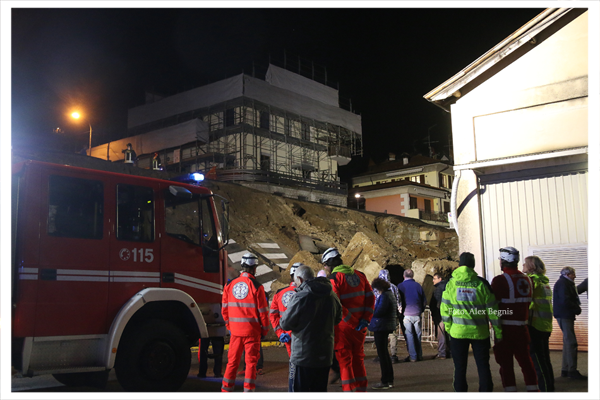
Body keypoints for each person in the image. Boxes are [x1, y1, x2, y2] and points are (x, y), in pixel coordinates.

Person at [441, 252, 502, 392]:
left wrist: (449, 328)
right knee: (483, 366)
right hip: (480, 333)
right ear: (473, 265)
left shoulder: (451, 284)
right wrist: (498, 332)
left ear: (460, 264)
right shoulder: (482, 284)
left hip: (457, 333)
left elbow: (445, 310)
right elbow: (493, 310)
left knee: (460, 367)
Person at [280, 265, 342, 392]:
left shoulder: (301, 297)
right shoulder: (331, 294)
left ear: (300, 279)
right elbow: (338, 318)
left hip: (303, 357)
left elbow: (285, 323)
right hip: (325, 355)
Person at [322, 247, 374, 392]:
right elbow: (371, 298)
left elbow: (337, 304)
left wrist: (351, 322)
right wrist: (365, 319)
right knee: (358, 360)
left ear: (328, 264)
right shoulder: (360, 275)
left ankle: (349, 391)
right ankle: (361, 390)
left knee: (345, 363)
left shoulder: (333, 279)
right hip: (361, 328)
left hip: (343, 328)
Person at [491, 247, 539, 392]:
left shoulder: (500, 280)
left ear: (503, 262)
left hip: (506, 329)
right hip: (523, 328)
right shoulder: (528, 280)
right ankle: (533, 389)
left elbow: (493, 306)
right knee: (526, 362)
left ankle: (510, 391)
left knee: (506, 364)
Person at [221, 253, 270, 392]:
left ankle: (226, 389)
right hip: (252, 332)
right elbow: (263, 313)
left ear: (242, 266)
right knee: (251, 364)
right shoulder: (257, 286)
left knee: (232, 362)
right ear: (254, 268)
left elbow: (224, 309)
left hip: (235, 332)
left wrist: (229, 326)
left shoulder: (229, 285)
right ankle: (248, 391)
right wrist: (264, 330)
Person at [523, 255, 554, 391]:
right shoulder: (545, 282)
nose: (522, 266)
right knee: (545, 359)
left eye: (525, 263)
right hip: (545, 325)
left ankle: (545, 389)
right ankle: (550, 386)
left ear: (532, 267)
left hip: (535, 325)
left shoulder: (532, 282)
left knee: (538, 361)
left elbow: (527, 302)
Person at [553, 266, 586, 380]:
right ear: (568, 274)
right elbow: (565, 300)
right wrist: (576, 308)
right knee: (571, 342)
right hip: (565, 314)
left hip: (564, 314)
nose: (575, 276)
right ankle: (572, 370)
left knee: (568, 342)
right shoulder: (564, 284)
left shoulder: (565, 283)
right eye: (573, 274)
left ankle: (566, 369)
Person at [368, 277, 398, 389]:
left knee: (383, 354)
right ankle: (388, 379)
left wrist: (370, 312)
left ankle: (386, 380)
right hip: (384, 326)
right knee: (384, 354)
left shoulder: (385, 296)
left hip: (381, 327)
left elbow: (380, 311)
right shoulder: (389, 294)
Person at [371, 269, 403, 364]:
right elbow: (398, 300)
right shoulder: (394, 287)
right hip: (393, 315)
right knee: (393, 335)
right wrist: (398, 312)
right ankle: (393, 354)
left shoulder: (381, 291)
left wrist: (373, 313)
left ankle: (382, 355)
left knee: (382, 338)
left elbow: (378, 304)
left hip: (382, 319)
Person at [270, 262, 301, 357]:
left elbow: (273, 315)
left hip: (287, 336)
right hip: (303, 336)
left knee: (293, 362)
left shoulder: (279, 293)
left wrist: (280, 333)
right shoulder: (308, 293)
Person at [397, 268, 426, 362]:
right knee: (418, 335)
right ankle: (419, 355)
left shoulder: (400, 286)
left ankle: (413, 356)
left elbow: (398, 301)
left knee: (409, 335)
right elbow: (424, 301)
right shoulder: (418, 286)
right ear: (413, 276)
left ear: (403, 276)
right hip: (417, 313)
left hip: (406, 314)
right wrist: (421, 310)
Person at [430, 272, 451, 359]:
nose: (433, 281)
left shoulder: (438, 289)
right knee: (448, 334)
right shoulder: (448, 287)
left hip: (441, 315)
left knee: (441, 334)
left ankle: (442, 353)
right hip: (448, 314)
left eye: (434, 279)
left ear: (440, 279)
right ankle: (449, 351)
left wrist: (435, 314)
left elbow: (436, 303)